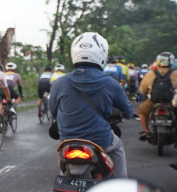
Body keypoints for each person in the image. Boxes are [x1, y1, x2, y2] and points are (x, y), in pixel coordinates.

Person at [48, 32, 134, 178]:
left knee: (64, 158)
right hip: (101, 140)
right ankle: (122, 185)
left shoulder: (59, 83)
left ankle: (64, 180)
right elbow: (128, 111)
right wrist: (127, 113)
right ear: (102, 54)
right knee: (118, 145)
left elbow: (53, 112)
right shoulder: (111, 83)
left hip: (67, 141)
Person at [137, 52, 177, 141]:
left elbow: (143, 90)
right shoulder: (175, 73)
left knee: (142, 111)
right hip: (172, 101)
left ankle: (146, 131)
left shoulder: (150, 73)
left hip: (153, 101)